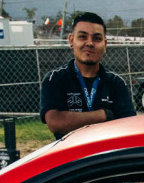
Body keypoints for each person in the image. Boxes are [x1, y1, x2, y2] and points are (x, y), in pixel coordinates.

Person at [40, 11, 136, 139]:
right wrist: (105, 115)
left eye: (97, 38)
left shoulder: (116, 83)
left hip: (107, 155)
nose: (90, 43)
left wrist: (77, 120)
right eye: (82, 37)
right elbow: (56, 122)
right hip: (72, 156)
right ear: (71, 40)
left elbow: (128, 126)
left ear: (105, 44)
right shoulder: (55, 79)